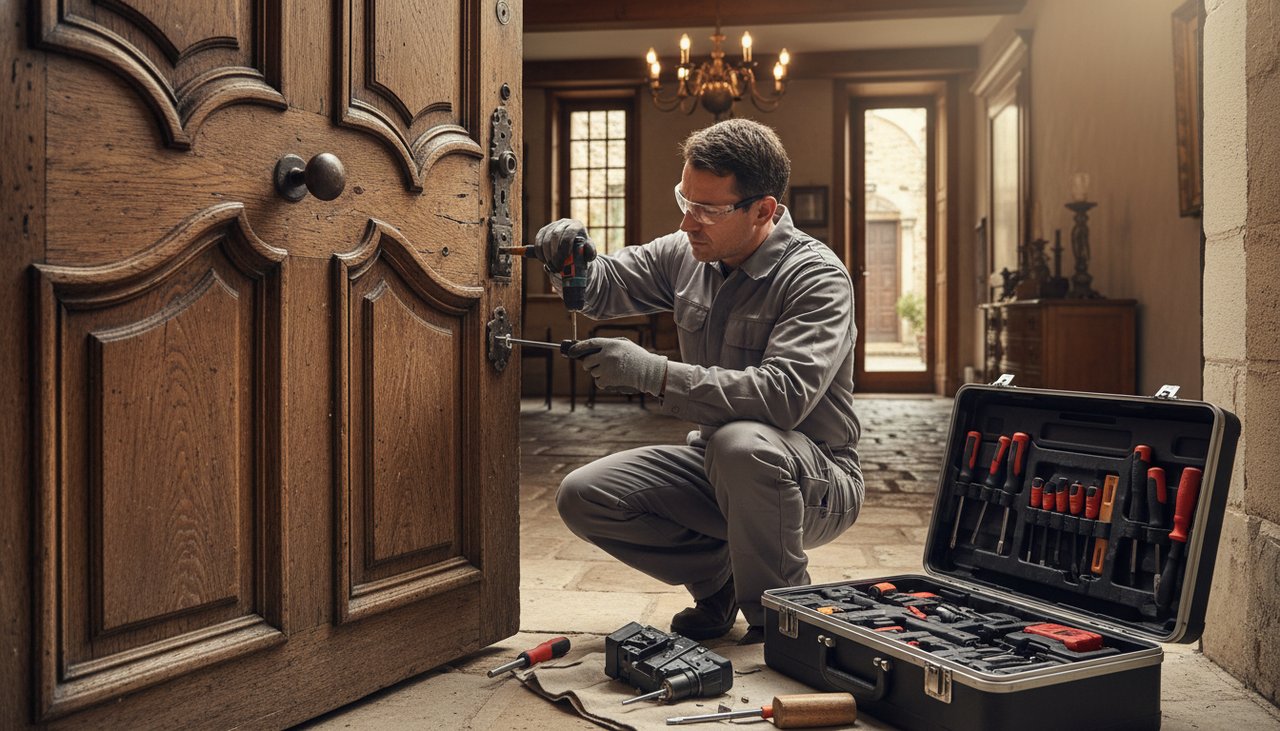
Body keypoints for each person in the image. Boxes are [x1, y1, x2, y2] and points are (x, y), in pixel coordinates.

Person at [532, 118, 863, 645]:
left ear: (764, 210)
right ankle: (719, 585)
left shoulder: (816, 277)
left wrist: (653, 372)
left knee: (742, 443)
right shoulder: (686, 252)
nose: (690, 222)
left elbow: (781, 399)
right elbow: (604, 288)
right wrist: (572, 261)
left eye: (709, 209)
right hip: (718, 464)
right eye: (686, 201)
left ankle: (784, 620)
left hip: (816, 479)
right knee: (585, 494)